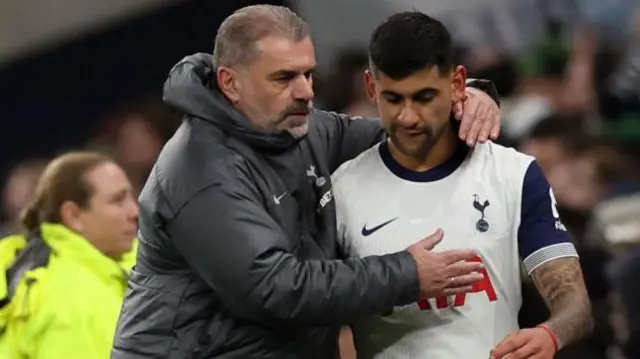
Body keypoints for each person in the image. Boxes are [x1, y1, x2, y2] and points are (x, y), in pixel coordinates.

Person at [112, 5, 501, 359]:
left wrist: (466, 100)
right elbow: (275, 288)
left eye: (308, 73)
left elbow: (395, 133)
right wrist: (407, 274)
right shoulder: (201, 171)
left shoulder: (296, 126)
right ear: (231, 83)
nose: (305, 91)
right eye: (284, 78)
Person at [331, 11, 593, 359]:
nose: (407, 117)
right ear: (370, 87)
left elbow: (575, 304)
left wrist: (550, 334)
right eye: (392, 99)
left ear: (457, 84)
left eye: (424, 97)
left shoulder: (514, 175)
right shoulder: (342, 188)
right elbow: (320, 316)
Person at [0, 152, 139, 359]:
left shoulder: (118, 266)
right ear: (73, 216)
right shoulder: (69, 298)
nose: (135, 212)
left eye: (131, 197)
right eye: (118, 201)